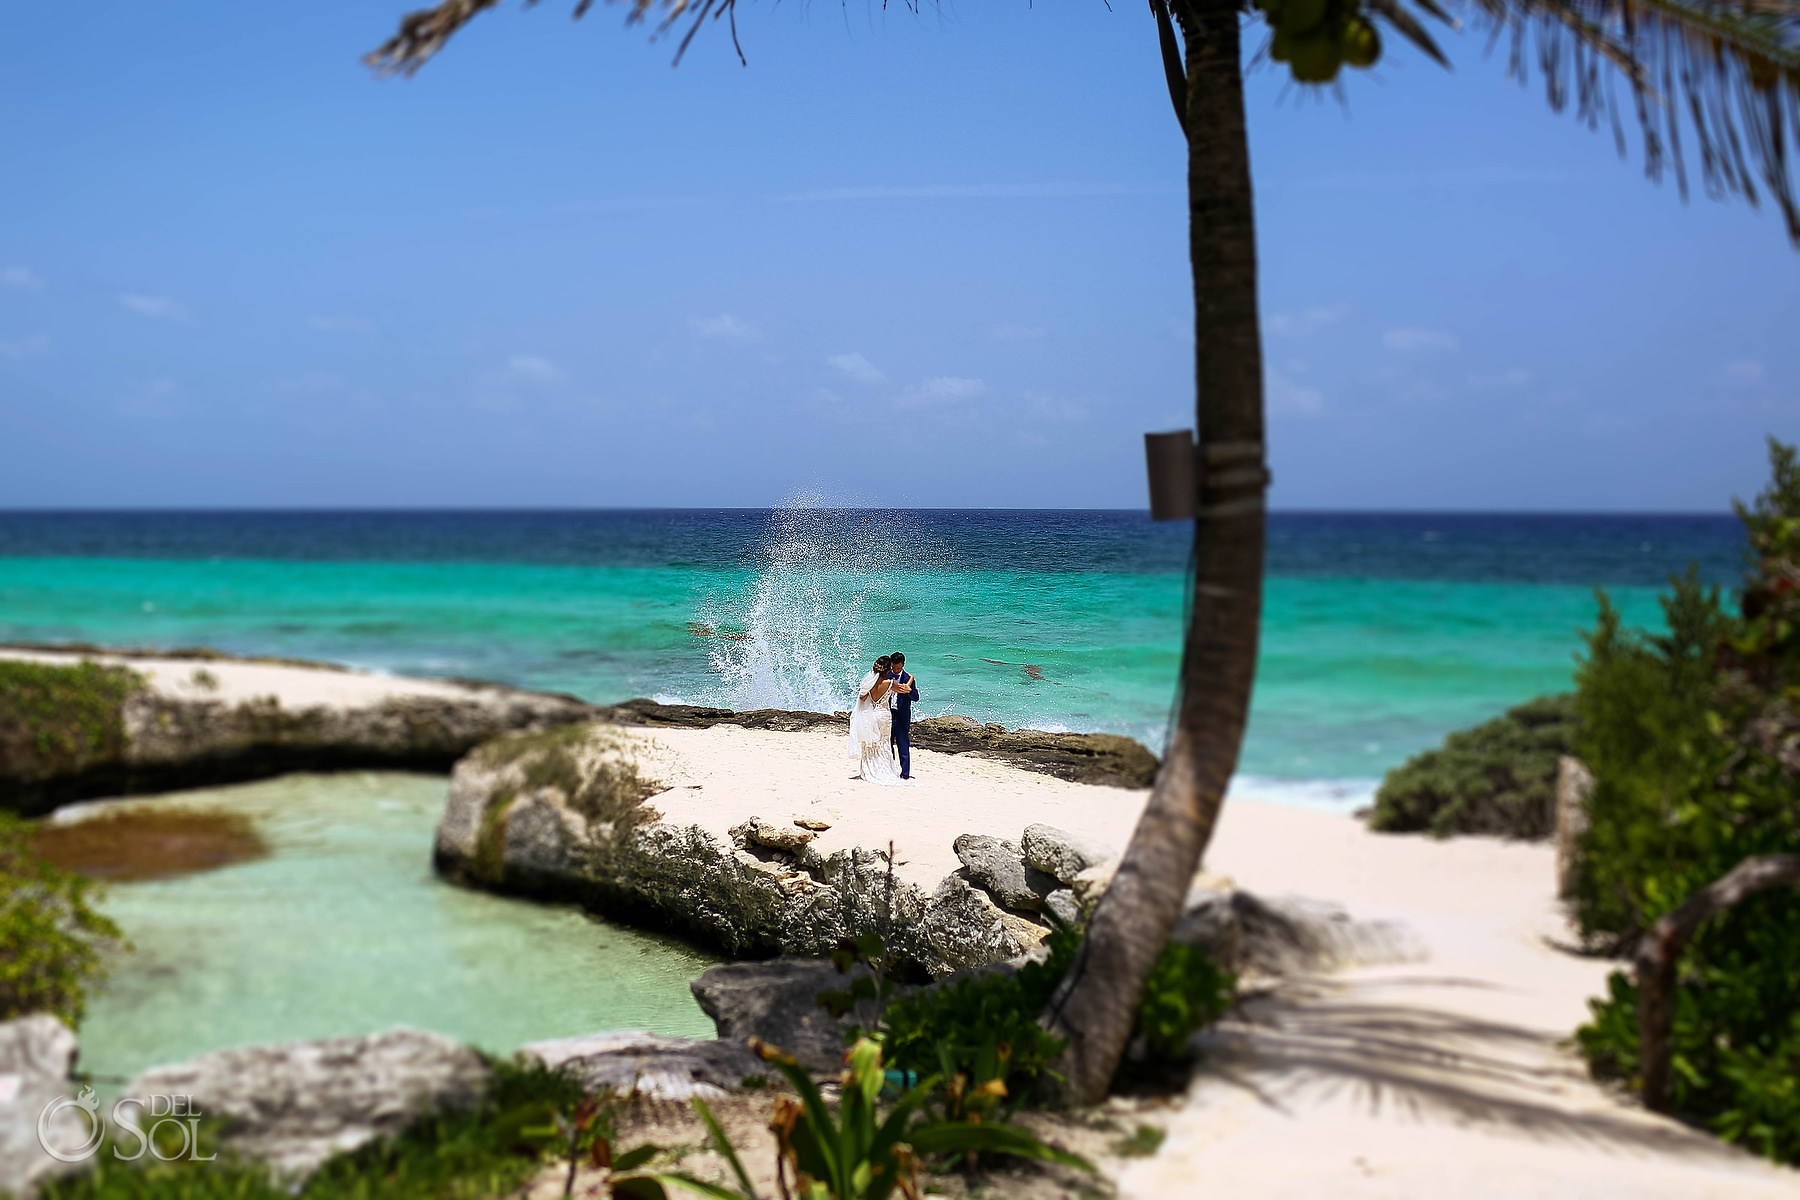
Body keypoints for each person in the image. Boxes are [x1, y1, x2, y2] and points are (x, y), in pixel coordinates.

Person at [849, 655, 907, 785]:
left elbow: (863, 698)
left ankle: (868, 769)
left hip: (871, 715)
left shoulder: (869, 683)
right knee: (883, 744)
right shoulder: (889, 683)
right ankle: (884, 769)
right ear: (887, 670)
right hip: (884, 716)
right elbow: (904, 690)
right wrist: (911, 679)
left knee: (872, 744)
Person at [886, 652, 919, 780]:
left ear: (903, 665)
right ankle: (891, 769)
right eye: (894, 667)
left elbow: (916, 697)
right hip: (887, 714)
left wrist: (909, 691)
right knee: (887, 745)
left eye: (898, 668)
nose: (895, 670)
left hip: (902, 716)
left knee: (903, 745)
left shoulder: (908, 679)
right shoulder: (886, 676)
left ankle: (905, 773)